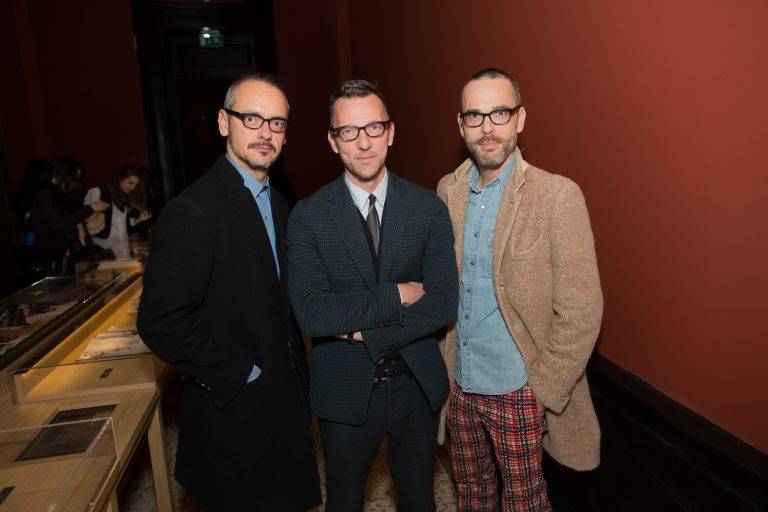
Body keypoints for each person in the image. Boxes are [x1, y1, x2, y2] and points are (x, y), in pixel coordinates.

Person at [137, 72, 321, 511]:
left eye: (277, 123)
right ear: (224, 122)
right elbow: (159, 322)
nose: (265, 133)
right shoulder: (193, 211)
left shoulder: (276, 202)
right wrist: (241, 373)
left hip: (284, 407)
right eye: (252, 118)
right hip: (233, 415)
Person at [436, 68, 604, 511]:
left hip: (519, 389)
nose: (488, 127)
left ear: (520, 118)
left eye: (500, 113)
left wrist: (541, 392)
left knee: (525, 503)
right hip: (461, 386)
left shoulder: (557, 196)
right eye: (475, 116)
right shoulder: (448, 191)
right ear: (460, 125)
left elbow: (583, 309)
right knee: (471, 493)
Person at [287, 79, 458, 512]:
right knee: (345, 501)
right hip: (343, 391)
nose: (363, 142)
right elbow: (311, 313)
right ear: (332, 140)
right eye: (349, 131)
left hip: (416, 386)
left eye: (374, 128)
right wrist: (399, 295)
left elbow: (441, 303)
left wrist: (362, 333)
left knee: (420, 500)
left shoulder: (427, 208)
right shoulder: (308, 216)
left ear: (391, 133)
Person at [27, 155, 109, 251]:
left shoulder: (56, 195)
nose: (74, 185)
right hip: (50, 254)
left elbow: (67, 221)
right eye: (73, 179)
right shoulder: (45, 194)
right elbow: (59, 224)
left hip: (60, 252)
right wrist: (90, 208)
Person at [84, 166, 152, 259]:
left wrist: (139, 219)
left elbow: (121, 224)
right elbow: (88, 221)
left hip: (121, 247)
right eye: (130, 183)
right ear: (121, 178)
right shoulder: (98, 191)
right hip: (103, 249)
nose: (132, 188)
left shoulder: (123, 197)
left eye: (135, 185)